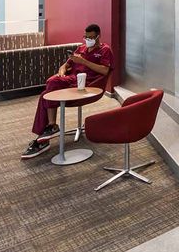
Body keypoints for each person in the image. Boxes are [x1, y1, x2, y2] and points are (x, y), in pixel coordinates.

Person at [21, 23, 114, 159]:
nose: (87, 40)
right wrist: (62, 70)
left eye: (91, 38)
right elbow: (67, 64)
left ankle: (47, 134)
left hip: (88, 84)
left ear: (98, 37)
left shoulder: (105, 50)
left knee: (45, 95)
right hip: (71, 80)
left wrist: (84, 62)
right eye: (86, 37)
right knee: (51, 82)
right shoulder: (81, 48)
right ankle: (50, 127)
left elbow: (105, 70)